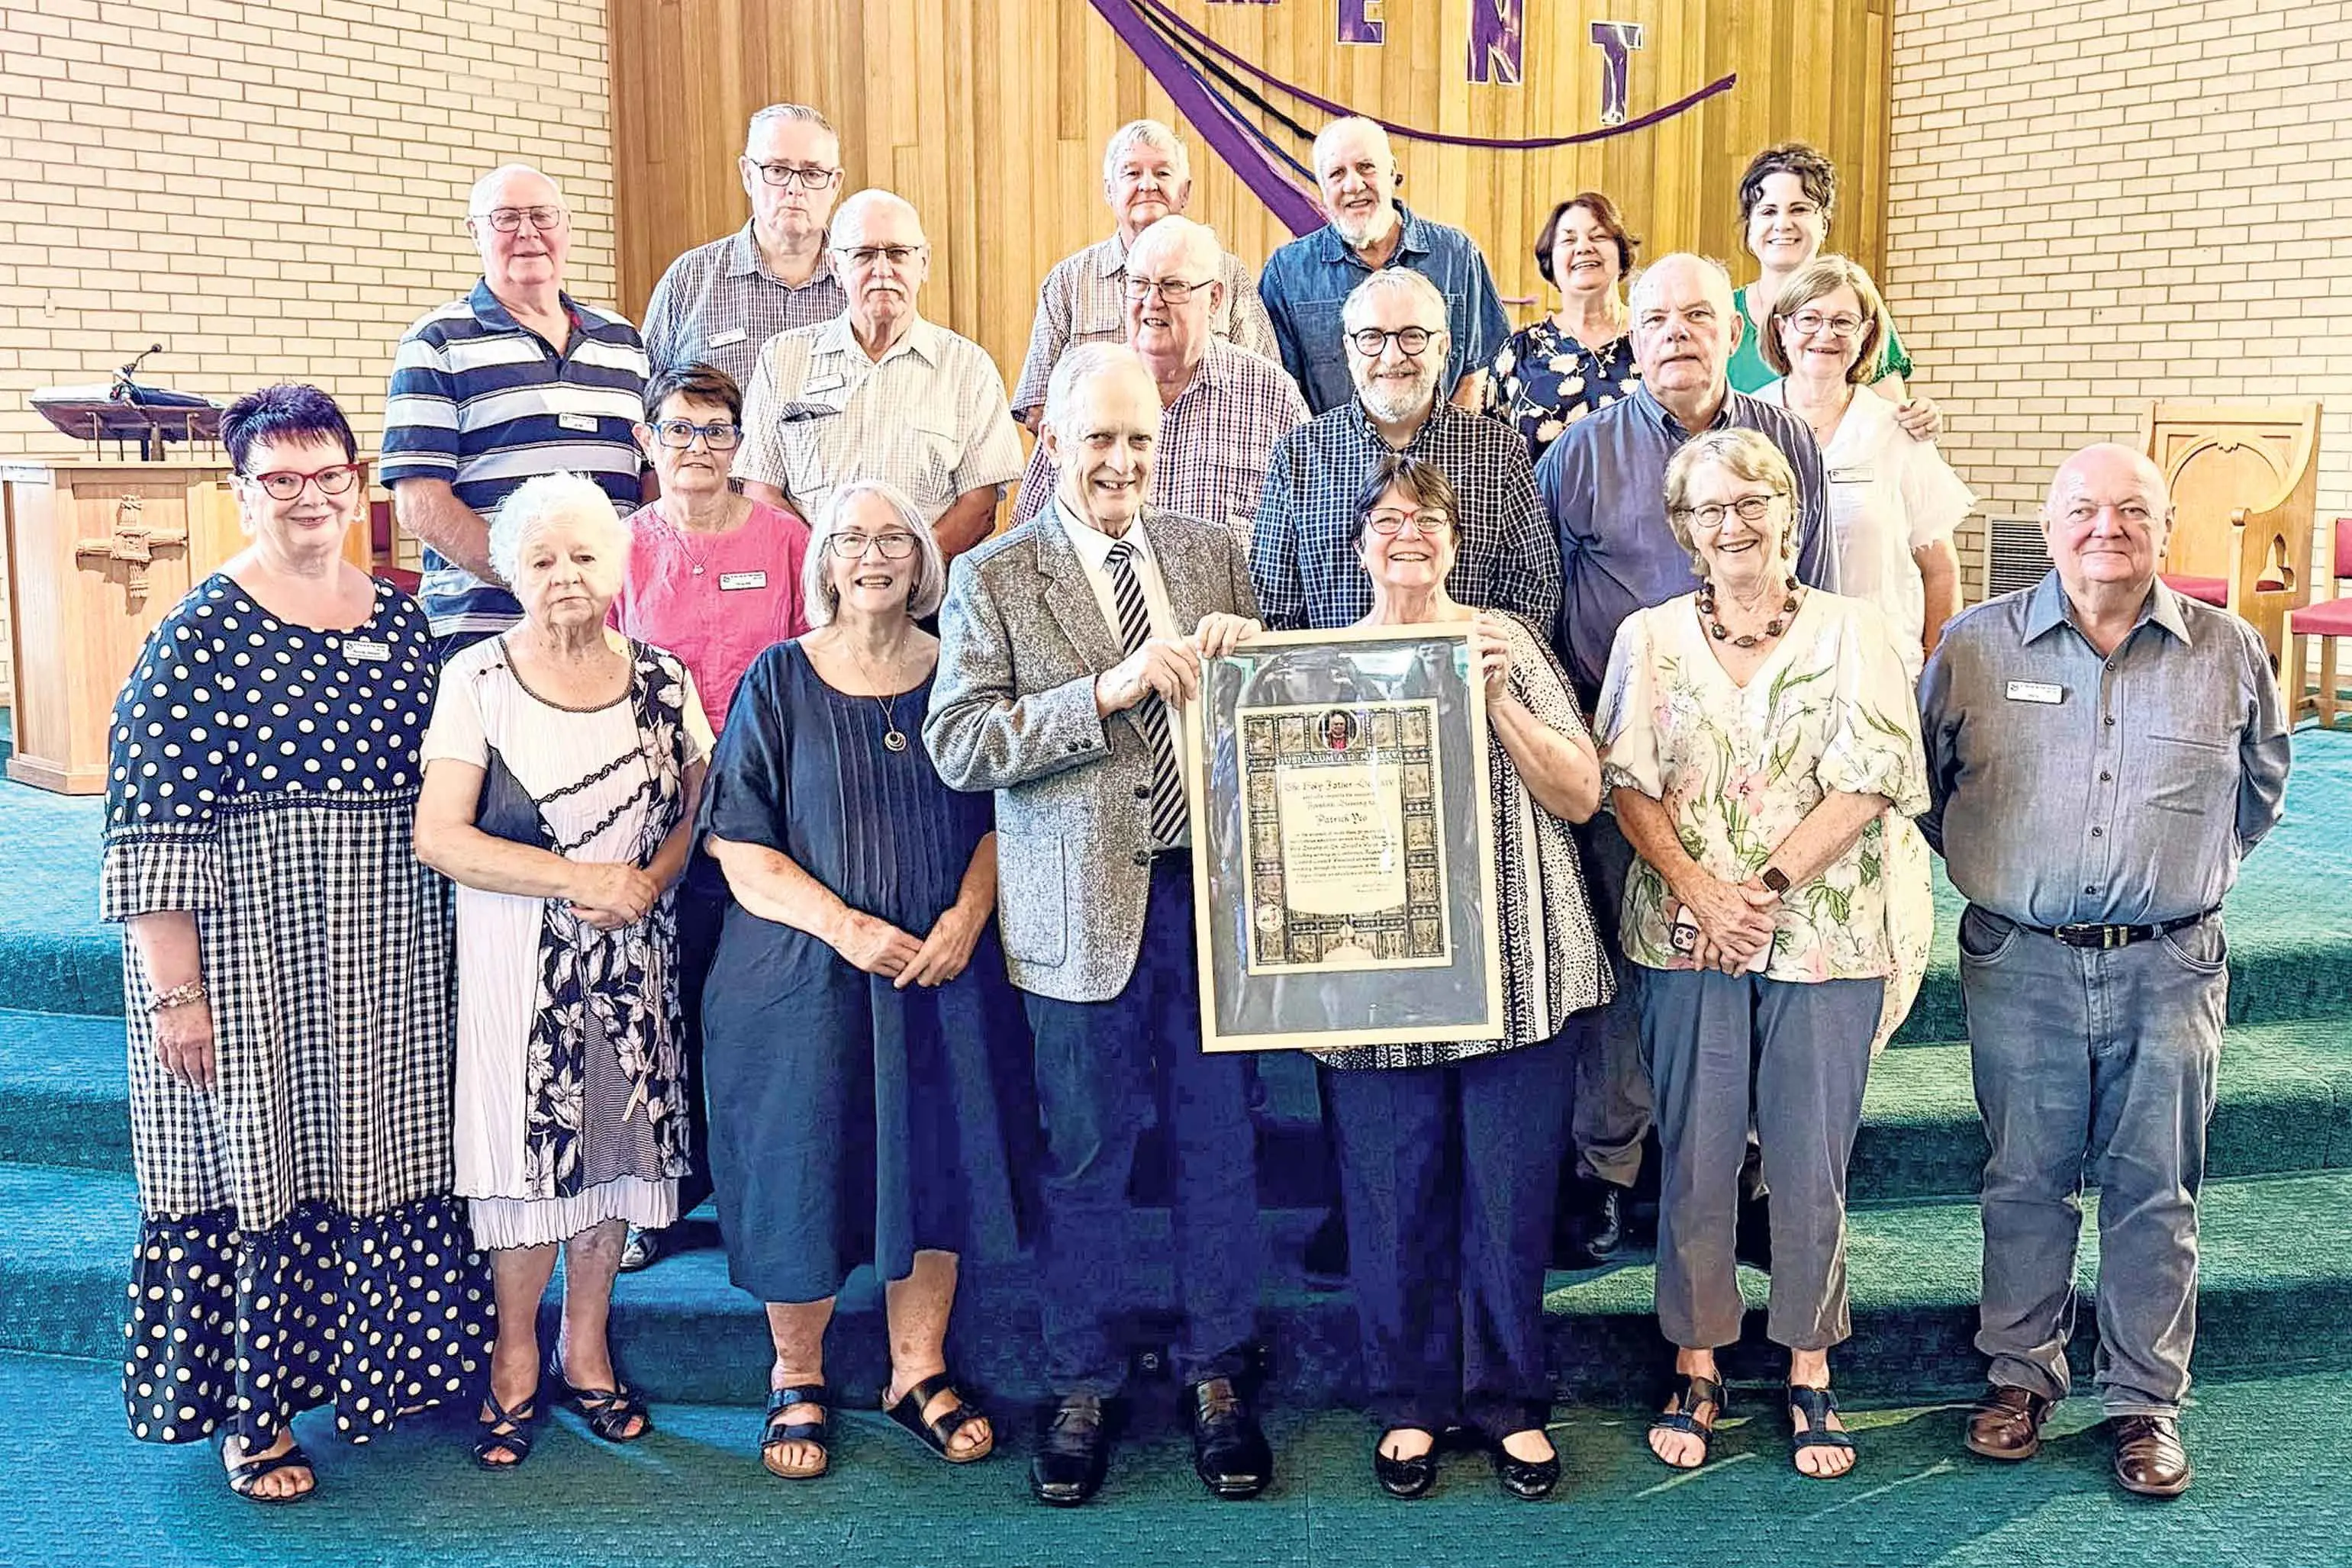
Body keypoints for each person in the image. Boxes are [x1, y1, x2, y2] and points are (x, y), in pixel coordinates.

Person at [103, 385, 491, 1504]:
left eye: (328, 475)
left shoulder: (403, 617)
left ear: (358, 486)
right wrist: (179, 996)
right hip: (254, 959)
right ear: (240, 493)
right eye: (281, 479)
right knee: (259, 1169)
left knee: (381, 1154)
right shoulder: (198, 633)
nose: (309, 497)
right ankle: (253, 1415)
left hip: (388, 957)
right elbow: (151, 831)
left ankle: (380, 1376)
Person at [926, 343, 1272, 1508]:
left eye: (1138, 440)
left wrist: (1248, 661)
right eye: (1098, 440)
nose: (1120, 460)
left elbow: (1264, 724)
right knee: (1084, 1161)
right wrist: (1109, 691)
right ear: (1053, 444)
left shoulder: (1210, 552)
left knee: (1220, 1151)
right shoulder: (996, 574)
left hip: (1212, 905)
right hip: (1080, 915)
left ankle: (1219, 1376)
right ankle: (1079, 1384)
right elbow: (962, 741)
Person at [1920, 443, 2291, 1499]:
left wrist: (2173, 873)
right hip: (2020, 959)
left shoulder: (2227, 650)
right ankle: (2017, 1376)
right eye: (2081, 509)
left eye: (2132, 510)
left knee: (2152, 1189)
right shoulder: (1973, 646)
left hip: (2168, 960)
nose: (2105, 528)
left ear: (2164, 529)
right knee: (2024, 1176)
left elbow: (2259, 784)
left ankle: (2142, 1399)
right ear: (2047, 528)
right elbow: (1925, 780)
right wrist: (2006, 867)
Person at [1596, 428, 1929, 1480]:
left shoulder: (1853, 629)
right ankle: (1695, 1356)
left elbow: (1872, 773)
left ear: (1790, 510)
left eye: (1752, 501)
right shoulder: (1647, 638)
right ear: (1684, 531)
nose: (1732, 523)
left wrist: (1765, 889)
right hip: (1687, 932)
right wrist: (1704, 891)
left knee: (1806, 1157)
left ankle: (1808, 1360)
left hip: (1825, 930)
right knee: (1694, 1151)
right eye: (1709, 509)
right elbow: (1625, 785)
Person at [698, 479, 1026, 1479]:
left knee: (933, 1161)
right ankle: (794, 1370)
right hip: (802, 975)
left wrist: (966, 917)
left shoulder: (964, 671)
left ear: (924, 559)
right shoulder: (776, 677)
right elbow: (735, 839)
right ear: (825, 562)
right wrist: (845, 927)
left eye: (894, 538)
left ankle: (913, 1366)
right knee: (800, 1163)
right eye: (852, 539)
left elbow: (1008, 812)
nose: (873, 555)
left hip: (943, 970)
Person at [1318, 457, 1609, 1503]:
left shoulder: (1506, 641)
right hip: (1372, 983)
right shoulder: (1314, 668)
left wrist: (1497, 707)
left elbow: (1580, 794)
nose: (1407, 532)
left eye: (1426, 517)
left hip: (1518, 973)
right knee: (1390, 1201)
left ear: (1454, 542)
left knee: (1507, 1198)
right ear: (1357, 545)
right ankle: (1405, 1399)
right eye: (1387, 517)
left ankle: (1507, 1402)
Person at [1537, 253, 1838, 1260]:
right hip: (1628, 762)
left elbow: (1818, 598)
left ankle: (1739, 1165)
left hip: (1757, 764)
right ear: (1629, 332)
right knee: (1630, 974)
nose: (1676, 332)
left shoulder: (1783, 440)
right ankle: (1610, 1166)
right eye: (1656, 316)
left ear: (1732, 327)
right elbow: (1542, 613)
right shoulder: (1578, 455)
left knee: (1747, 959)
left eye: (1697, 315)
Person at [414, 472, 714, 1470]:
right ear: (512, 571)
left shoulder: (664, 678)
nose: (567, 575)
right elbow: (440, 837)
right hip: (516, 965)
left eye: (584, 554)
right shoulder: (477, 679)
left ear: (617, 563)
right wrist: (579, 876)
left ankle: (586, 1352)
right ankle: (512, 1362)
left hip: (635, 963)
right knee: (522, 1168)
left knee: (615, 1162)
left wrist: (649, 883)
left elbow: (696, 812)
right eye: (543, 559)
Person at [610, 359, 813, 1271]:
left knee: (757, 1004)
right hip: (653, 805)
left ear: (741, 444)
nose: (698, 448)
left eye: (716, 431)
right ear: (647, 439)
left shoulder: (785, 541)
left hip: (767, 801)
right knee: (667, 999)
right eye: (679, 429)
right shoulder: (620, 545)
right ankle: (665, 1193)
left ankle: (766, 1190)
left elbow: (816, 664)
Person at [382, 163, 649, 659]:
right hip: (482, 634)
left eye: (543, 216)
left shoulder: (623, 343)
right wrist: (538, 583)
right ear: (475, 232)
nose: (528, 233)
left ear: (567, 226)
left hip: (610, 632)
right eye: (505, 218)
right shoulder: (436, 342)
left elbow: (648, 485)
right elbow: (421, 503)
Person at [1255, 268, 1558, 636]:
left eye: (1413, 336)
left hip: (1467, 686)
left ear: (1444, 346)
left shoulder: (1499, 452)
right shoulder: (1298, 454)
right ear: (1349, 349)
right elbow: (1271, 609)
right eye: (1372, 337)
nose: (1393, 356)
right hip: (1333, 689)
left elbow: (1534, 602)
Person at [736, 188, 1024, 559]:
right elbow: (762, 492)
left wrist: (907, 572)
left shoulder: (969, 368)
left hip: (928, 603)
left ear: (924, 263)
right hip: (812, 600)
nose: (883, 270)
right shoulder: (783, 359)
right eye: (864, 254)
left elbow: (980, 504)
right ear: (835, 267)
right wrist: (833, 571)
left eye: (899, 254)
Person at [1012, 215, 1307, 544]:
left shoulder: (1273, 397)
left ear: (1214, 299)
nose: (1152, 301)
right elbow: (1029, 536)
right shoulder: (1081, 386)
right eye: (1139, 284)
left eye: (1173, 286)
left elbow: (1310, 539)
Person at [1753, 256, 1973, 680]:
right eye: (1809, 319)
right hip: (1771, 669)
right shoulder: (1748, 425)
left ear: (1866, 334)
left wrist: (1936, 672)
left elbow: (1940, 569)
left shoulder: (1897, 430)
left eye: (1843, 322)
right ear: (1782, 328)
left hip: (1880, 670)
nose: (1825, 334)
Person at [1009, 120, 1282, 429]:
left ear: (1185, 192)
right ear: (1109, 191)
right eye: (1132, 173)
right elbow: (1038, 406)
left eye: (1163, 173)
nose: (1148, 185)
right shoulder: (1068, 282)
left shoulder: (1227, 275)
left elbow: (1267, 390)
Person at [1258, 116, 1510, 415]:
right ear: (1322, 187)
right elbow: (1279, 390)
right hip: (1331, 460)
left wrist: (1438, 455)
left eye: (1366, 167)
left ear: (1392, 172)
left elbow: (1478, 372)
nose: (1353, 185)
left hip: (1441, 459)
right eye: (1337, 174)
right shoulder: (1287, 273)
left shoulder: (1457, 255)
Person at [1725, 142, 1938, 443]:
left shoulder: (1859, 311)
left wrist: (1919, 419)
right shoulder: (1721, 315)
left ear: (1824, 224)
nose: (1783, 224)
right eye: (1768, 211)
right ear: (1749, 226)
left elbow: (1893, 424)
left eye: (1799, 209)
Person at [641, 104, 849, 385]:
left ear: (835, 184)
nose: (795, 188)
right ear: (748, 175)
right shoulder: (689, 280)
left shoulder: (859, 284)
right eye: (777, 170)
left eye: (812, 174)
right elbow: (646, 400)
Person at [1484, 192, 1642, 461]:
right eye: (1568, 239)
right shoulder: (1520, 352)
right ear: (1551, 262)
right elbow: (1489, 457)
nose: (1583, 247)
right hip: (1537, 503)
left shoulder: (1653, 339)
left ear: (1621, 252)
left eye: (1598, 236)